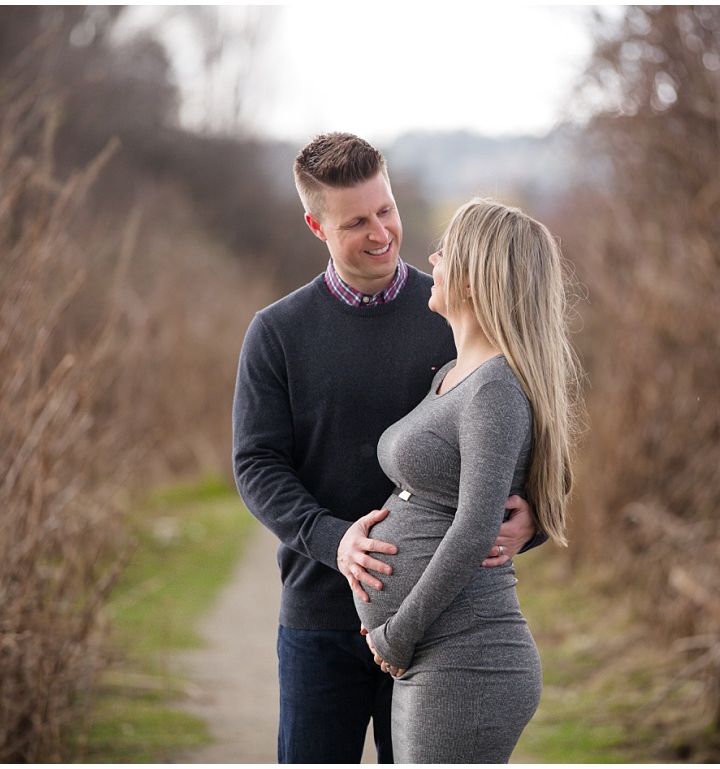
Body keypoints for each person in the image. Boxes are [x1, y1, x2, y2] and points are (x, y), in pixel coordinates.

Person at [232, 133, 541, 763]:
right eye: (355, 222)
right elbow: (256, 464)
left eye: (386, 211)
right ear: (316, 225)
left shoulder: (456, 311)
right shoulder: (277, 333)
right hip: (321, 617)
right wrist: (332, 538)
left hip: (439, 632)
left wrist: (532, 517)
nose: (380, 233)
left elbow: (520, 430)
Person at [354, 198, 580, 762]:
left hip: (469, 656)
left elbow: (476, 523)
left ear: (478, 277)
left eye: (446, 251)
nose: (431, 259)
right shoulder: (457, 375)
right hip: (442, 651)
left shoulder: (494, 388)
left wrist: (398, 632)